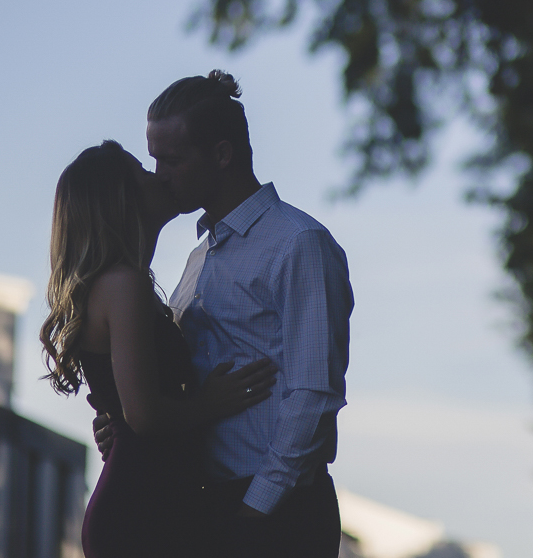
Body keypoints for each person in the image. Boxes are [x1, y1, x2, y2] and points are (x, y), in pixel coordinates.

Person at [97, 70, 354, 557]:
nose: (159, 176)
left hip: (277, 511)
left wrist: (253, 513)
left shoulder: (297, 244)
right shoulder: (200, 258)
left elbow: (314, 394)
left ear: (221, 153)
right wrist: (132, 424)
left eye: (172, 160)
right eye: (154, 160)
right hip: (206, 506)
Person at [40, 140, 278, 558]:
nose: (158, 176)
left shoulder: (130, 284)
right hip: (143, 511)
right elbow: (145, 415)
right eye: (143, 172)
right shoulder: (123, 284)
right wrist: (212, 403)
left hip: (159, 502)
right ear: (122, 199)